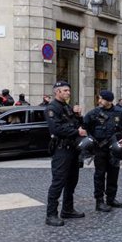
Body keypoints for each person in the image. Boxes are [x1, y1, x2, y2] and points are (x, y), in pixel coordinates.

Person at [44, 81, 87, 226]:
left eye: (69, 90)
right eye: (65, 90)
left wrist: (79, 116)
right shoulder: (52, 108)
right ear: (57, 92)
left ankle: (67, 209)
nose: (68, 93)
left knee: (71, 181)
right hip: (61, 150)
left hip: (73, 149)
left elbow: (76, 124)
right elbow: (55, 129)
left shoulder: (66, 107)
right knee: (58, 182)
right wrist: (77, 132)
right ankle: (51, 215)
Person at [84, 90, 122, 212]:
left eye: (102, 99)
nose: (99, 101)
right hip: (100, 149)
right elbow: (84, 126)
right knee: (99, 175)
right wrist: (90, 140)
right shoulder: (94, 113)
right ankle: (99, 201)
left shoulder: (120, 113)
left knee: (114, 174)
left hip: (115, 149)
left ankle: (111, 198)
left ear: (109, 100)